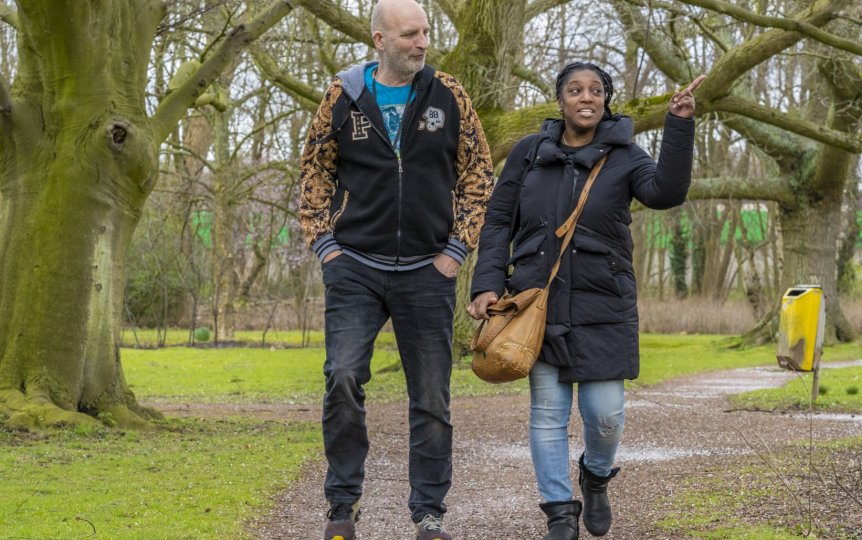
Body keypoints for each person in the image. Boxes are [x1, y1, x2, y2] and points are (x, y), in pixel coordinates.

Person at [468, 63, 702, 539]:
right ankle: (558, 510)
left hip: (603, 303)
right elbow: (497, 221)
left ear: (605, 101)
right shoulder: (528, 154)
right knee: (548, 413)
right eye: (575, 90)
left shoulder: (625, 155)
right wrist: (486, 283)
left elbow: (666, 192)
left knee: (606, 415)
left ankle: (595, 477)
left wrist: (679, 125)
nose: (585, 97)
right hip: (537, 304)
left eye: (595, 90)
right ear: (561, 100)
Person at [297, 0, 494, 537]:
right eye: (410, 34)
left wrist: (457, 251)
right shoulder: (343, 95)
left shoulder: (449, 95)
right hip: (355, 266)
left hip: (427, 271)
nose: (422, 42)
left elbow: (479, 174)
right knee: (341, 378)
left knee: (431, 397)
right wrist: (325, 246)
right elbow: (314, 169)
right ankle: (342, 504)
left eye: (426, 32)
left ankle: (428, 511)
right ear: (379, 40)